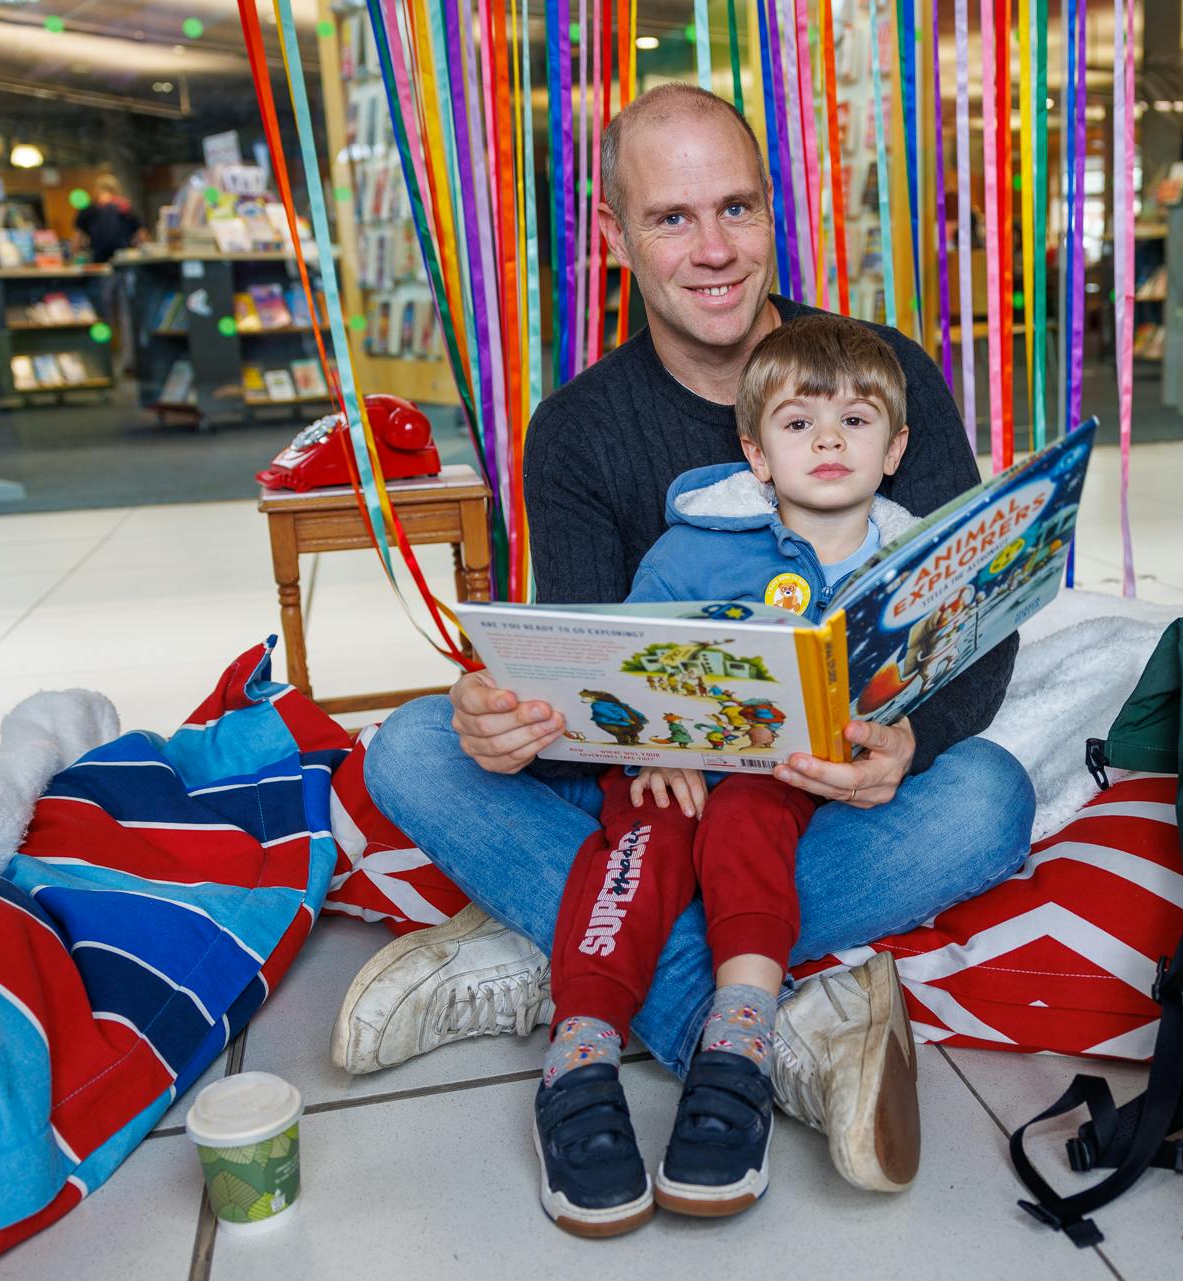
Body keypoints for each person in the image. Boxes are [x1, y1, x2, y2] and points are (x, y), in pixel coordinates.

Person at [341, 83, 1033, 1200]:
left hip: (826, 785)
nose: (713, 250)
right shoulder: (578, 429)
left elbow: (978, 635)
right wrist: (516, 722)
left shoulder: (879, 375)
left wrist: (911, 740)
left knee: (990, 797)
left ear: (774, 215)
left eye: (738, 209)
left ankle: (558, 956)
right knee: (417, 747)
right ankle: (770, 1035)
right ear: (616, 237)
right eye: (672, 218)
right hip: (662, 800)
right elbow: (589, 703)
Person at [535, 316, 920, 1235]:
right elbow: (622, 666)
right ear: (755, 451)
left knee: (766, 811)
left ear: (897, 448)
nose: (828, 440)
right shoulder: (689, 550)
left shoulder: (911, 564)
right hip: (672, 768)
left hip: (802, 789)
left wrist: (896, 733)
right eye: (798, 424)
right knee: (641, 828)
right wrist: (653, 746)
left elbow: (926, 680)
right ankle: (581, 1047)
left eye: (857, 421)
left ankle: (739, 1034)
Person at [70, 175, 146, 264]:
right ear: (117, 190)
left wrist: (73, 259)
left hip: (99, 262)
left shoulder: (88, 209)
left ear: (97, 189)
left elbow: (77, 242)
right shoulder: (126, 208)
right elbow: (141, 237)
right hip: (124, 261)